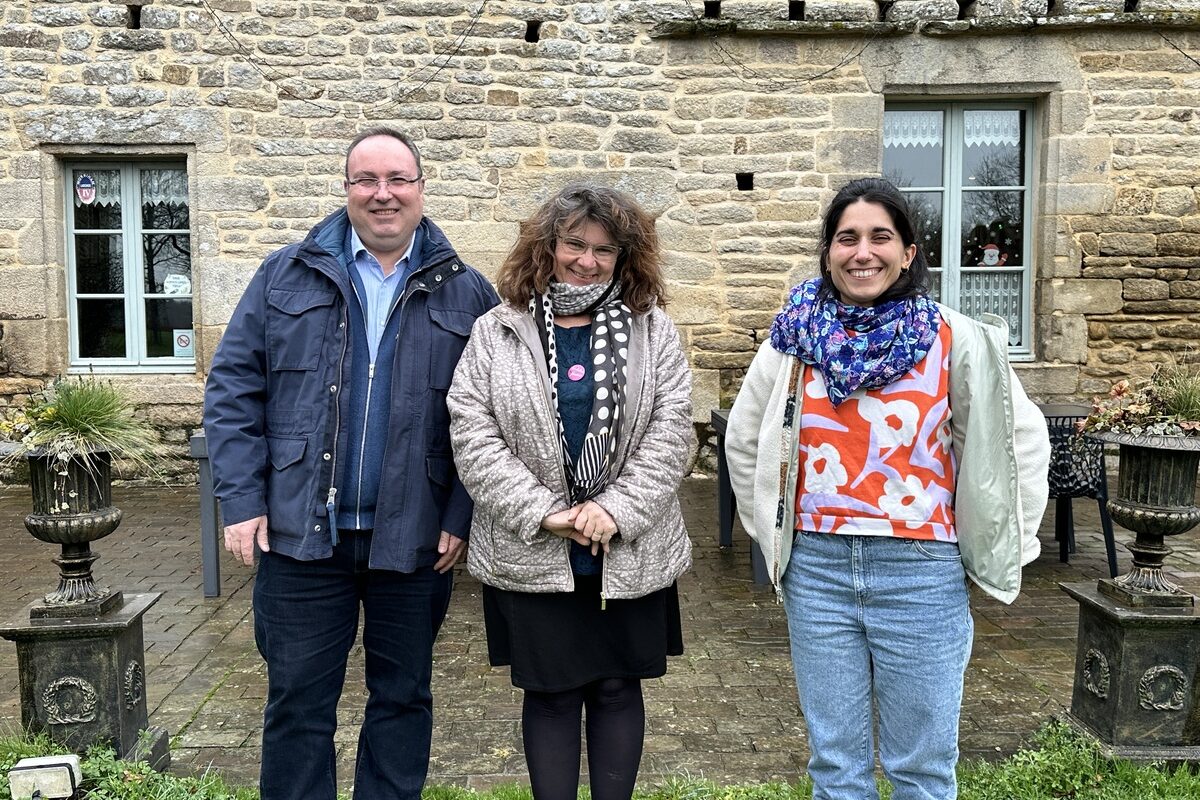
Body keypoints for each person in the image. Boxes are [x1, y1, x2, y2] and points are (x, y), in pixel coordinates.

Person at [725, 177, 1050, 800]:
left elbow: (1021, 446)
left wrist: (1004, 546)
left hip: (922, 572)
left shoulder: (956, 339)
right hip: (815, 570)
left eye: (881, 236)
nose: (862, 252)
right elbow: (744, 441)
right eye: (846, 238)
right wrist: (771, 537)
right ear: (827, 252)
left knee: (922, 768)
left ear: (908, 252)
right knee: (836, 766)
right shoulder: (793, 341)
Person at [203, 126, 498, 800]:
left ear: (422, 189)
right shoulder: (285, 273)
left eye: (398, 179)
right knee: (298, 704)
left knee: (402, 698)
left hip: (417, 537)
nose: (383, 193)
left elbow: (490, 418)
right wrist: (243, 500)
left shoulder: (468, 292)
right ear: (347, 189)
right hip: (300, 536)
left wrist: (461, 513)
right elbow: (232, 390)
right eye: (367, 180)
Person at [447, 184, 693, 800]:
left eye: (604, 250)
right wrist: (545, 513)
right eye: (574, 244)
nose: (586, 260)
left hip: (628, 547)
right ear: (547, 245)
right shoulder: (498, 330)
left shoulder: (652, 329)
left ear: (625, 256)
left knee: (617, 688)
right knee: (551, 694)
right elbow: (471, 430)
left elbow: (671, 429)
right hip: (536, 549)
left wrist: (616, 509)